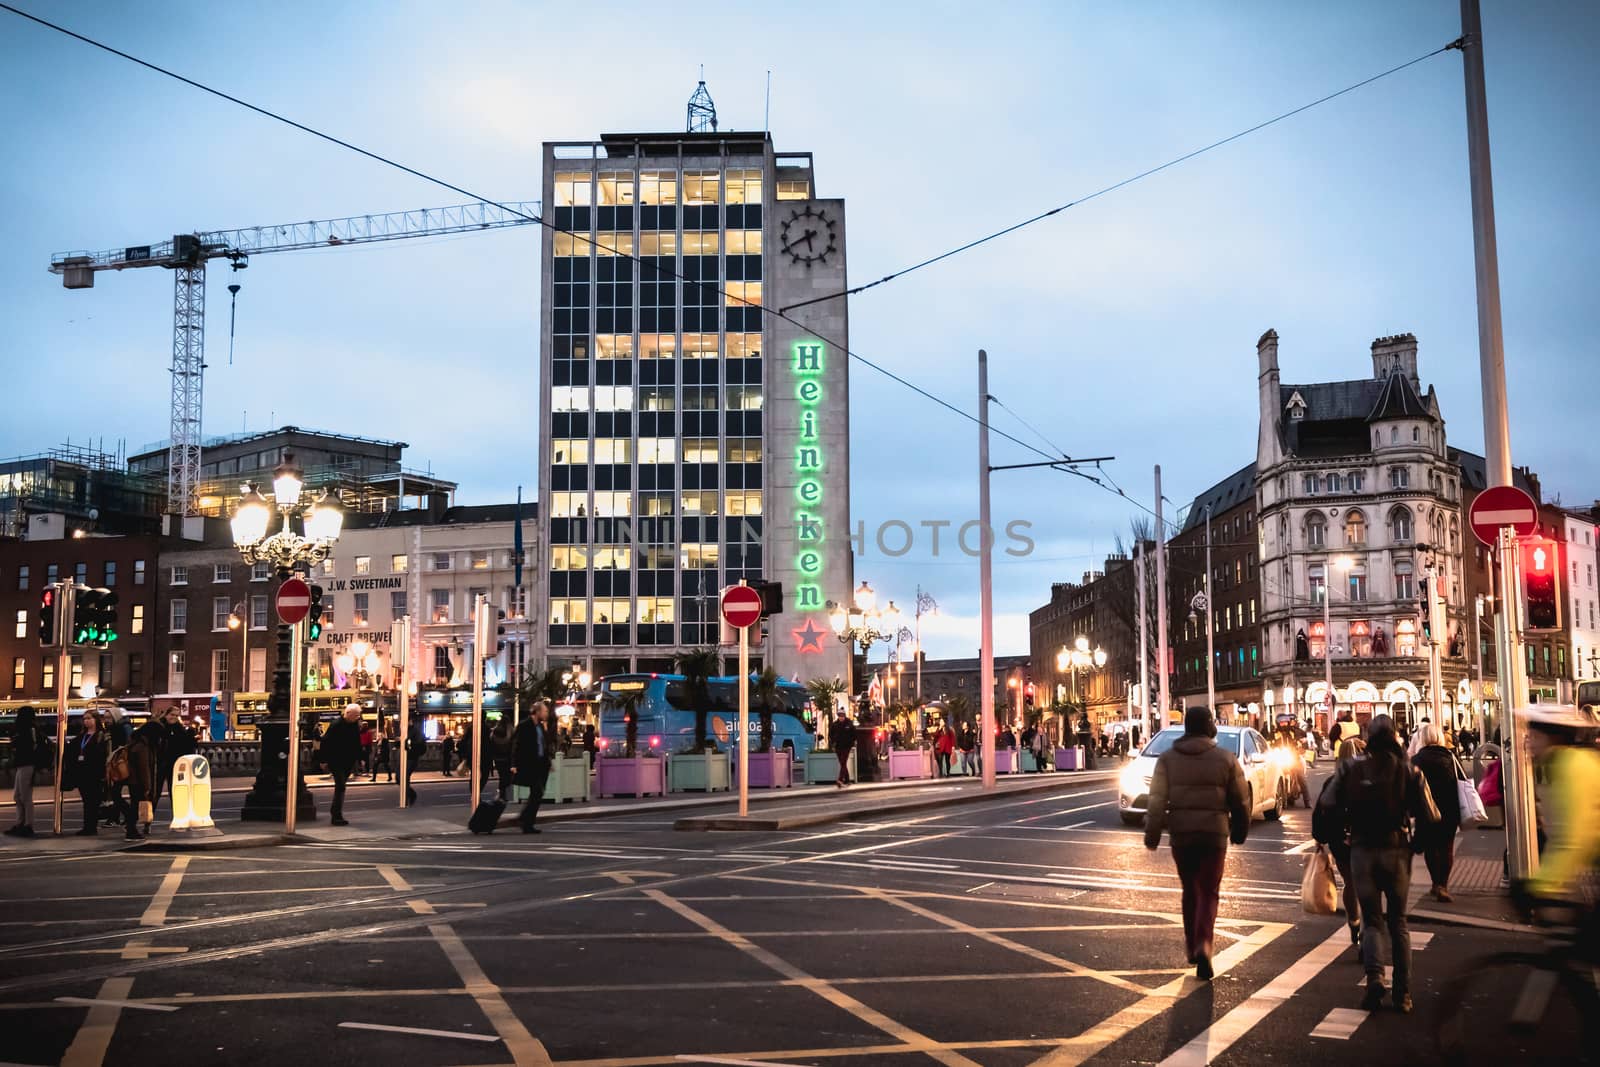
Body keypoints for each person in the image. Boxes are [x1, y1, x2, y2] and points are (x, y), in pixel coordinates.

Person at [1320, 714, 1438, 1014]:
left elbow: (1328, 804)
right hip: (1396, 850)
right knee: (1398, 922)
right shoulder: (1409, 771)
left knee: (1372, 920)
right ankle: (1403, 992)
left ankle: (1375, 977)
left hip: (1362, 849)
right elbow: (1432, 815)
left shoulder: (1350, 768)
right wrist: (1417, 845)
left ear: (1368, 736)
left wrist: (1340, 834)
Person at [1143, 706, 1250, 980]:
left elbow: (1155, 801)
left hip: (1182, 834)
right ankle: (1204, 943)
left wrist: (1152, 834)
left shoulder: (1166, 759)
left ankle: (1192, 945)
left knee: (1190, 889)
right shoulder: (1226, 758)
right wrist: (1239, 830)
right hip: (1214, 835)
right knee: (1209, 891)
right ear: (1210, 727)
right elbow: (1240, 800)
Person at [1520, 705, 1600, 906]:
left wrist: (1539, 886)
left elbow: (1571, 839)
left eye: (1535, 737)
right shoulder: (1558, 765)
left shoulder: (1571, 767)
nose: (1529, 743)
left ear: (1552, 739)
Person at [1314, 737, 1367, 950]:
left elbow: (1321, 812)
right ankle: (1365, 924)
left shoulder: (1333, 781)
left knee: (1350, 882)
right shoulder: (1369, 780)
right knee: (1366, 882)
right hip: (1365, 838)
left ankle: (1354, 920)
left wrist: (1319, 837)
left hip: (1340, 839)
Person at [1409, 723, 1462, 903]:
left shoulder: (1417, 759)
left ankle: (1434, 883)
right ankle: (1443, 885)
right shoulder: (1451, 757)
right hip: (1450, 807)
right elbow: (1460, 780)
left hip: (1427, 809)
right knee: (1447, 847)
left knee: (1431, 848)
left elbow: (1411, 786)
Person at [318, 704, 363, 826]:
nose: (358, 717)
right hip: (336, 760)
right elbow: (325, 742)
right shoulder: (336, 725)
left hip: (348, 761)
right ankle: (336, 815)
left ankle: (336, 813)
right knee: (341, 786)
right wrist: (323, 760)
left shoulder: (354, 725)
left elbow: (356, 742)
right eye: (356, 715)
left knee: (341, 787)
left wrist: (360, 759)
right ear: (348, 714)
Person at [67, 711, 110, 837]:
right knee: (86, 801)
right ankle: (87, 826)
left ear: (96, 720)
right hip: (82, 772)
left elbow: (103, 753)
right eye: (84, 719)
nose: (86, 721)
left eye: (89, 718)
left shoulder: (101, 735)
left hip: (95, 772)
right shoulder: (82, 736)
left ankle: (91, 827)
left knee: (93, 801)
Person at [512, 702, 552, 832]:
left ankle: (526, 821)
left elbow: (543, 745)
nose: (546, 714)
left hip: (541, 765)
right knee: (537, 792)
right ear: (537, 712)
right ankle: (526, 822)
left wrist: (548, 762)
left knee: (537, 794)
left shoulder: (540, 727)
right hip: (530, 764)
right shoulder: (524, 726)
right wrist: (514, 764)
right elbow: (516, 745)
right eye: (544, 711)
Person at [6, 706, 45, 838]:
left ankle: (27, 824)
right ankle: (21, 823)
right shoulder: (28, 729)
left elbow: (29, 746)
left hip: (27, 764)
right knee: (18, 796)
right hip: (23, 764)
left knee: (25, 796)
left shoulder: (29, 729)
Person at [125, 714, 165, 840]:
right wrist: (148, 787)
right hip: (139, 782)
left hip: (134, 780)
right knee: (135, 806)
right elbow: (144, 768)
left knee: (134, 805)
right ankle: (131, 830)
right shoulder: (143, 747)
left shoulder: (137, 742)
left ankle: (130, 829)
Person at [158, 708, 197, 813]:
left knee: (175, 791)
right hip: (159, 764)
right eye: (172, 714)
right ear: (166, 714)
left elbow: (187, 746)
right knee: (155, 792)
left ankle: (178, 815)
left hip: (175, 765)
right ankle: (148, 819)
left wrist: (191, 736)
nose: (174, 717)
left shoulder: (179, 729)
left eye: (176, 715)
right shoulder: (159, 727)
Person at [404, 720, 426, 805]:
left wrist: (408, 744)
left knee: (404, 778)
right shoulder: (405, 730)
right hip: (404, 757)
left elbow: (418, 744)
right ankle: (410, 795)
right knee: (400, 778)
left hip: (411, 757)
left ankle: (408, 798)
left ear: (410, 721)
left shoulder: (415, 731)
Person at [832, 710, 856, 787]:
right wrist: (833, 742)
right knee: (843, 763)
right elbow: (831, 734)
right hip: (838, 746)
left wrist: (851, 743)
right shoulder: (835, 724)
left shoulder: (849, 724)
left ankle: (840, 779)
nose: (841, 717)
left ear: (844, 716)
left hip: (846, 746)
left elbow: (854, 734)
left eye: (842, 716)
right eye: (839, 716)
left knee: (843, 761)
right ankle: (847, 780)